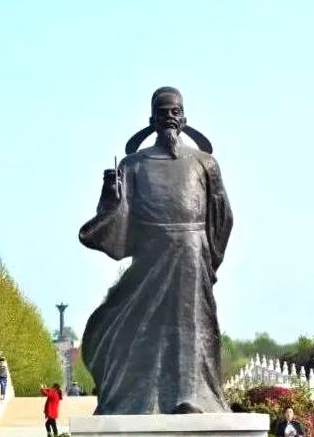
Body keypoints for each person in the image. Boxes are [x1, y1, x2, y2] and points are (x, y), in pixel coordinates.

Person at [79, 87, 233, 415]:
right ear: (151, 119)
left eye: (175, 111)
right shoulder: (133, 165)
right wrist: (110, 197)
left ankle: (189, 396)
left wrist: (209, 260)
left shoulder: (205, 164)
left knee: (190, 324)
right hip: (150, 255)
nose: (169, 117)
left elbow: (222, 217)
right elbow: (119, 218)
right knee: (125, 321)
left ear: (185, 117)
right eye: (163, 112)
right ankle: (135, 399)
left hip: (192, 253)